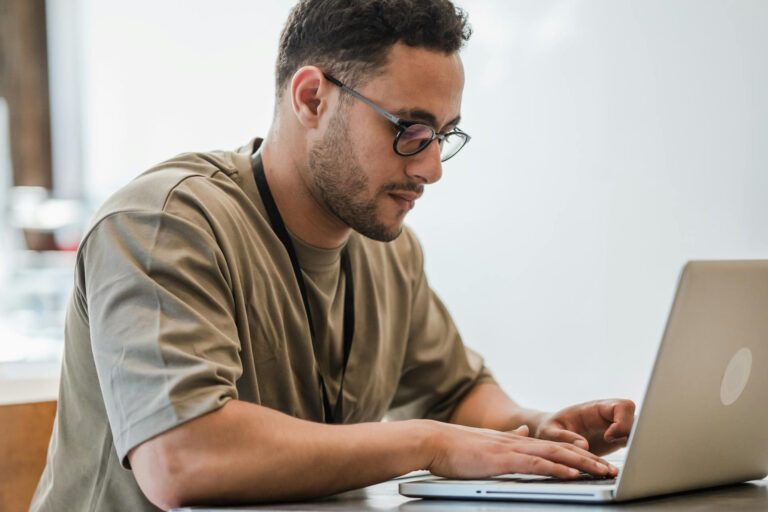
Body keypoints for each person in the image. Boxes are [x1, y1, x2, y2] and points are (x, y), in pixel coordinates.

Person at [31, 1, 635, 510]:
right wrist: (430, 443)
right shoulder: (164, 222)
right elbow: (182, 457)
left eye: (443, 137)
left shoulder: (387, 251)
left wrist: (533, 431)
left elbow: (454, 394)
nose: (429, 168)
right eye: (410, 130)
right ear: (313, 98)